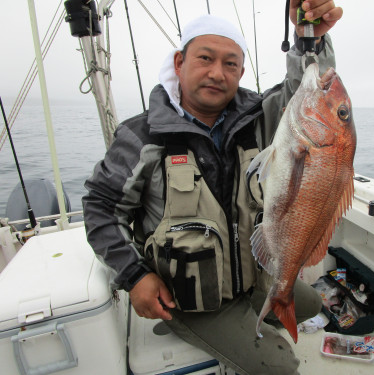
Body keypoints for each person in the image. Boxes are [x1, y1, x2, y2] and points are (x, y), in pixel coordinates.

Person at [82, 1, 342, 374]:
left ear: (241, 72)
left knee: (313, 305)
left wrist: (309, 35)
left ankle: (255, 305)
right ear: (179, 63)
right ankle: (194, 325)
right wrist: (135, 276)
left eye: (230, 64)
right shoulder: (140, 137)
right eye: (205, 58)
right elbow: (100, 208)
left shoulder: (259, 118)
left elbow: (308, 91)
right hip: (189, 295)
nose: (217, 73)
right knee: (282, 367)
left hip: (250, 273)